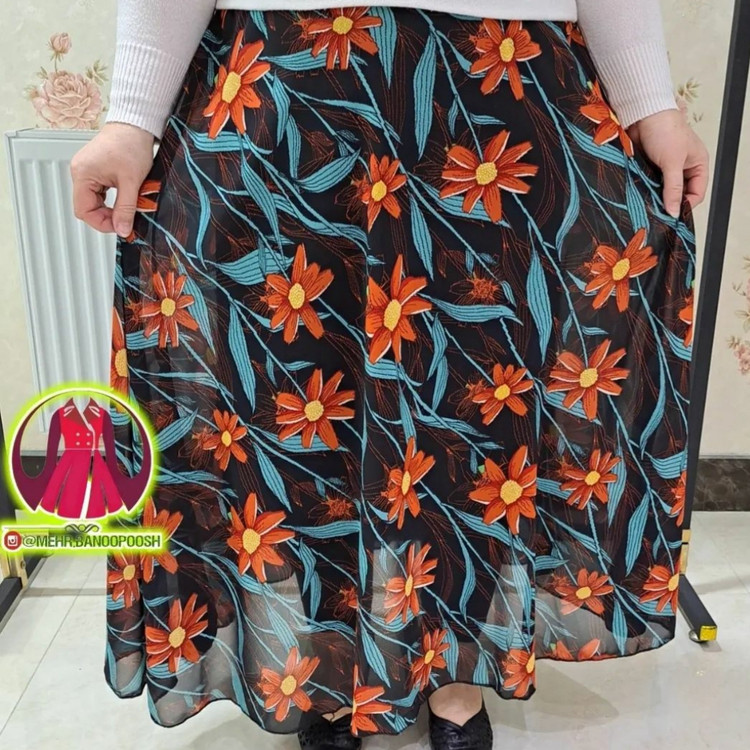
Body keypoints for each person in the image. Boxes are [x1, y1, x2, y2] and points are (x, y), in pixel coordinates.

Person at [71, 2, 709, 749]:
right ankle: (328, 668)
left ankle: (457, 669)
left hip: (498, 78)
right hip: (285, 78)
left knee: (479, 407)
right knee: (298, 412)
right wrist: (131, 115)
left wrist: (650, 101)